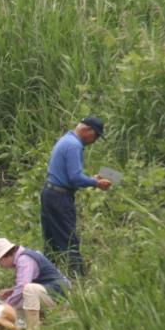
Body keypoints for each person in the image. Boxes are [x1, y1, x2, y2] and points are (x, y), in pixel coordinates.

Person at [41, 116, 111, 276]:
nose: (95, 141)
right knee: (68, 237)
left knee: (51, 240)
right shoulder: (74, 146)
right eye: (96, 136)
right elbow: (75, 178)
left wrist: (91, 179)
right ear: (88, 130)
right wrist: (97, 183)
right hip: (60, 198)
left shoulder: (66, 139)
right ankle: (78, 278)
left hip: (49, 193)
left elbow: (69, 175)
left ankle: (47, 276)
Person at [0, 237, 70, 330]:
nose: (1, 266)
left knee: (28, 290)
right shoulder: (25, 256)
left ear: (4, 256)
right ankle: (24, 326)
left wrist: (6, 306)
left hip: (59, 295)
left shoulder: (24, 260)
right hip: (53, 292)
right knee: (20, 296)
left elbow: (23, 286)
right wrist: (12, 291)